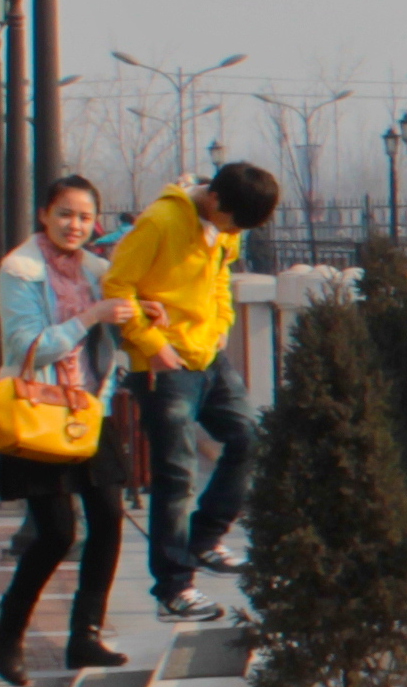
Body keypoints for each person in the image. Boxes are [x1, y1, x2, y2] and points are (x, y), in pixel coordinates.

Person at [104, 159, 280, 626]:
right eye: (232, 223)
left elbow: (222, 276)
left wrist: (222, 324)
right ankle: (174, 588)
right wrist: (153, 345)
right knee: (176, 474)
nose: (232, 233)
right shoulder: (160, 222)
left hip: (207, 355)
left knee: (248, 437)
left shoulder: (226, 225)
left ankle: (205, 539)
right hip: (163, 363)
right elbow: (117, 285)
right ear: (214, 198)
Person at [0, 174, 138, 684]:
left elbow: (113, 335)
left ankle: (86, 635)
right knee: (55, 533)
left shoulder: (97, 269)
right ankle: (7, 630)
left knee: (109, 520)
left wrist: (140, 314)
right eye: (65, 214)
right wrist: (90, 316)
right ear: (44, 215)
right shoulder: (20, 270)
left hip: (89, 410)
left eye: (85, 217)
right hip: (40, 409)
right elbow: (28, 346)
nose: (76, 225)